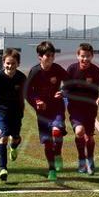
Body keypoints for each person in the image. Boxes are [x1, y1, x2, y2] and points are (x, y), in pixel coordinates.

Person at [25, 41, 69, 181]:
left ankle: (58, 154)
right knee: (48, 141)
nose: (50, 58)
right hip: (42, 112)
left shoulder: (57, 69)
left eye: (52, 55)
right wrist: (36, 102)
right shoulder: (35, 71)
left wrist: (62, 91)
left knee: (56, 131)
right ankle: (51, 170)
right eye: (47, 55)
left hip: (56, 107)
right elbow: (27, 92)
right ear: (40, 56)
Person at [0, 48, 27, 182]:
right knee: (3, 137)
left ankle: (14, 146)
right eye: (7, 63)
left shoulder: (21, 77)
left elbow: (28, 93)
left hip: (17, 112)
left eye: (13, 63)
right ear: (3, 63)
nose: (10, 66)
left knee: (15, 138)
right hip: (0, 111)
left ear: (18, 64)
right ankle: (3, 168)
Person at [64, 43, 99, 175]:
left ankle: (90, 160)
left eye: (88, 56)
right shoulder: (71, 70)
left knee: (89, 138)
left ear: (92, 56)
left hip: (90, 109)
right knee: (79, 131)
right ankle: (82, 159)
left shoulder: (96, 71)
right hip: (75, 108)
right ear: (78, 56)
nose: (85, 59)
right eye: (82, 56)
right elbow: (65, 88)